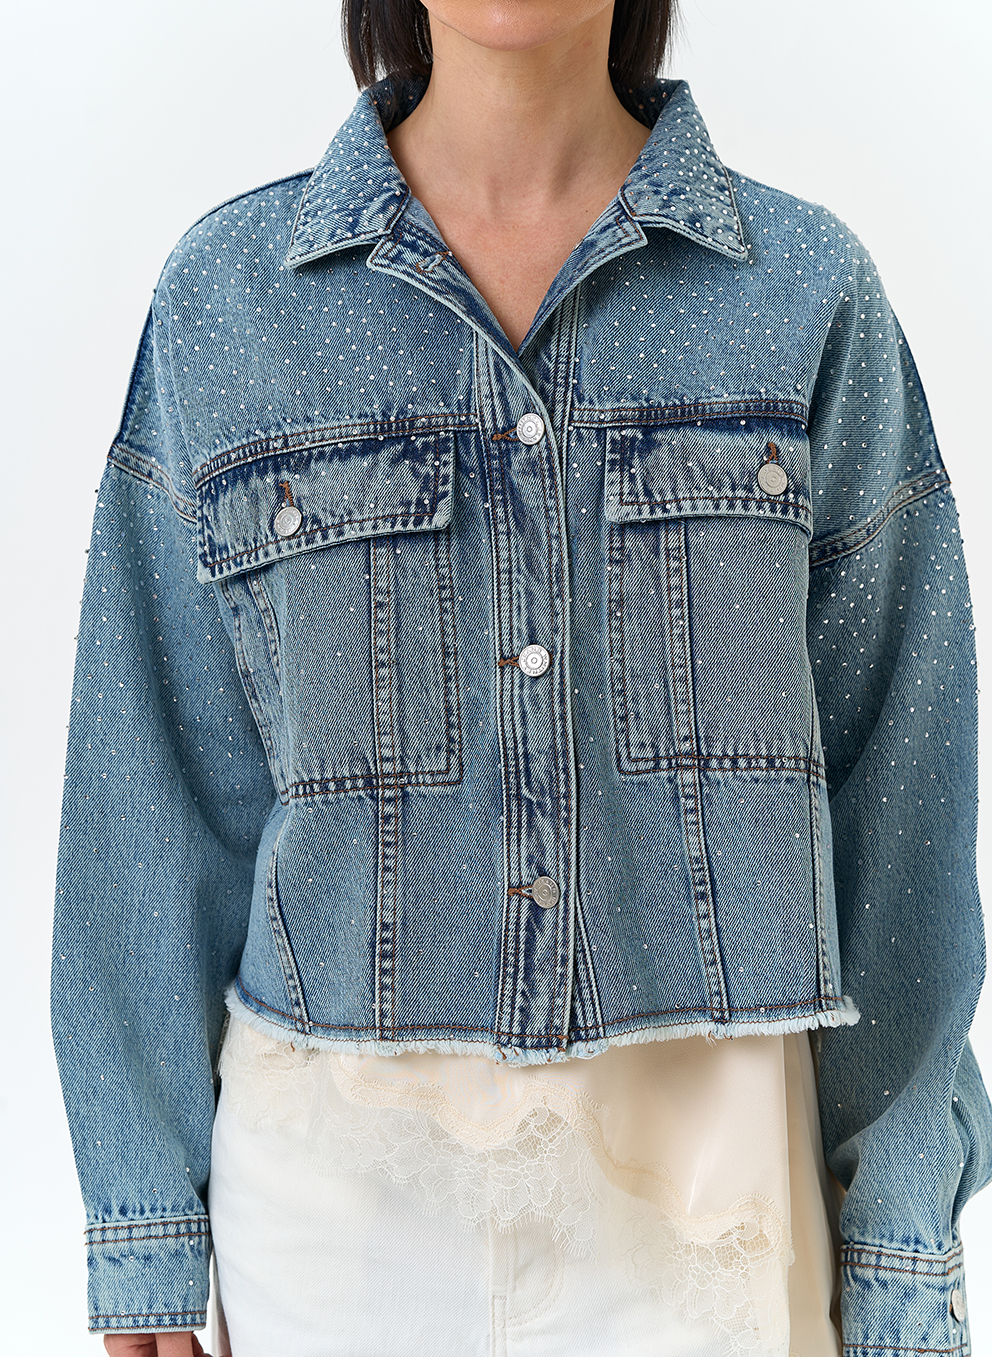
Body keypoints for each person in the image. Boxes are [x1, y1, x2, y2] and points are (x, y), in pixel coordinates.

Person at [51, 1, 992, 1354]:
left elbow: (898, 804)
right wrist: (142, 1224)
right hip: (331, 1215)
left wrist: (899, 1236)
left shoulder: (804, 296)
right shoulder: (230, 303)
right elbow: (153, 788)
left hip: (710, 1210)